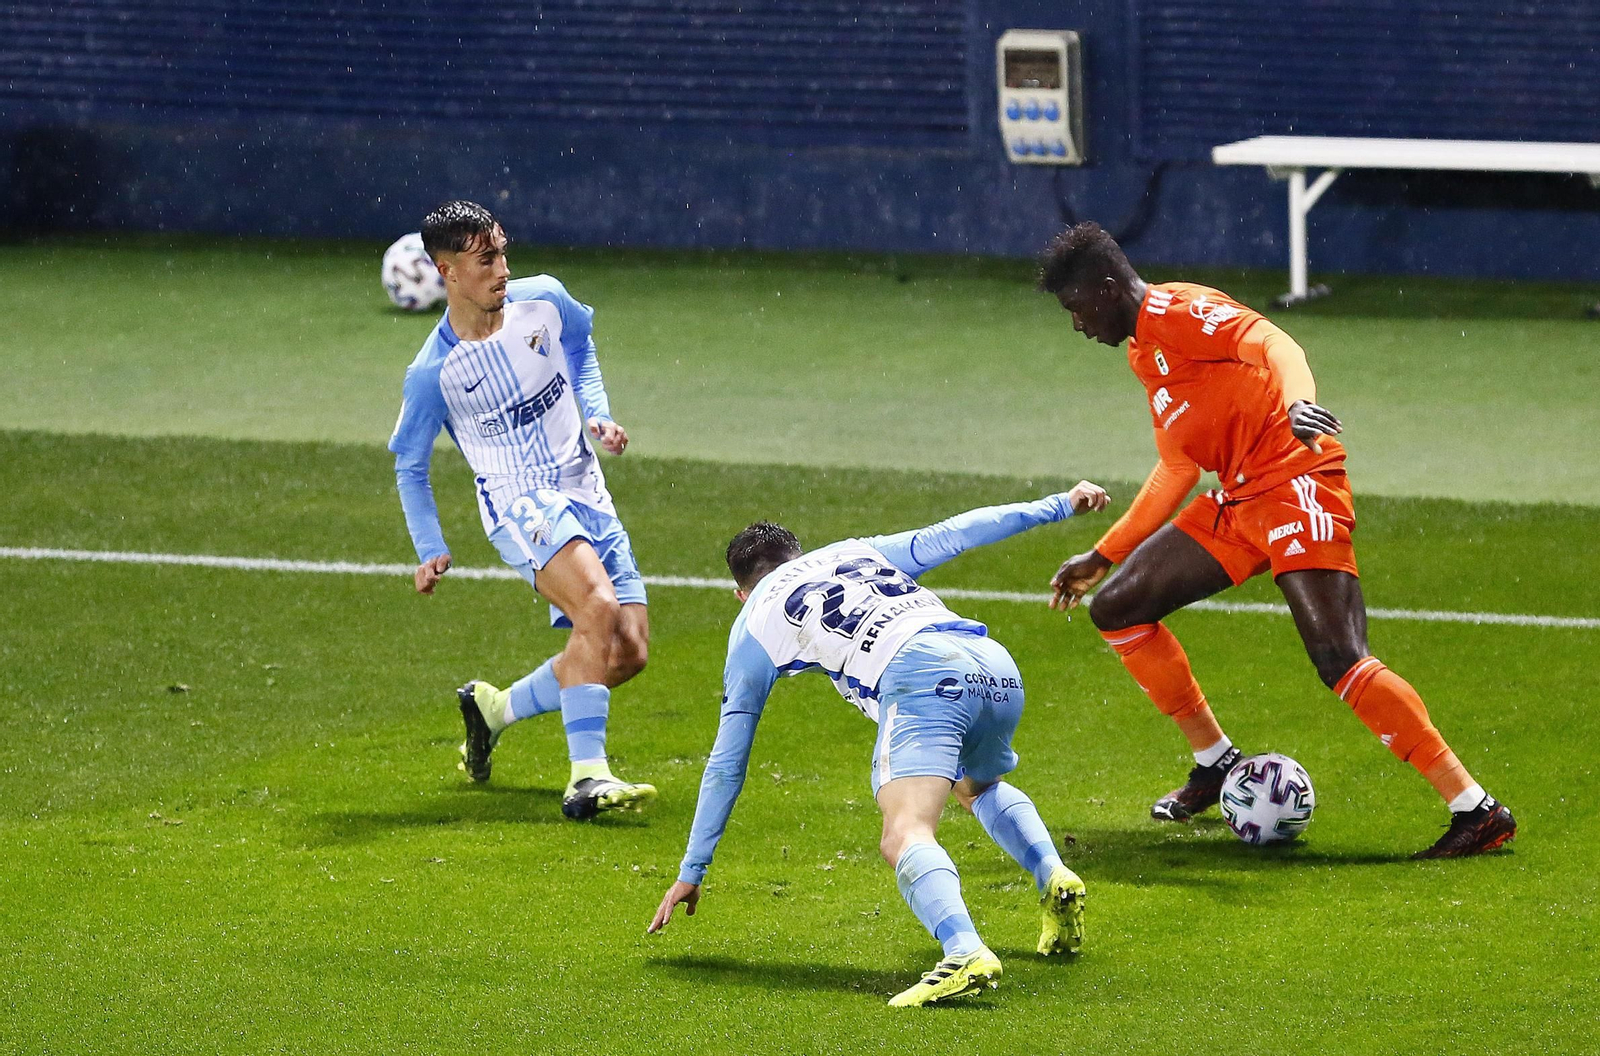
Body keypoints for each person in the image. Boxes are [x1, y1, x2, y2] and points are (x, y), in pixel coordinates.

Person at [1037, 221, 1515, 859]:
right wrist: (1104, 554)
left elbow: (1273, 341)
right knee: (1119, 608)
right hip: (1240, 500)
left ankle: (1475, 810)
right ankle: (1214, 762)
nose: (1076, 325)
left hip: (1296, 482)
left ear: (1104, 287)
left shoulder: (1181, 313)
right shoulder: (1143, 352)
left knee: (1339, 656)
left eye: (1075, 309)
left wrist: (1298, 404)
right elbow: (1179, 466)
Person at [648, 483, 1110, 1006]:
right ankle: (1052, 872)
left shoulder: (752, 623)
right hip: (992, 663)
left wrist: (693, 869)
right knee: (976, 786)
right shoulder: (851, 552)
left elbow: (727, 764)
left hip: (922, 677)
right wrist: (1059, 505)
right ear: (800, 555)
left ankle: (963, 951)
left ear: (741, 592)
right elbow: (955, 533)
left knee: (903, 833)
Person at [388, 200, 655, 820]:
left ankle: (494, 710)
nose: (502, 269)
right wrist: (429, 545)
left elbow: (582, 349)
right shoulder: (434, 374)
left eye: (504, 252)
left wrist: (598, 413)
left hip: (586, 488)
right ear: (446, 271)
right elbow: (409, 463)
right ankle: (587, 777)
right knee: (598, 605)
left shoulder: (546, 300)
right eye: (486, 259)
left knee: (628, 651)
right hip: (518, 501)